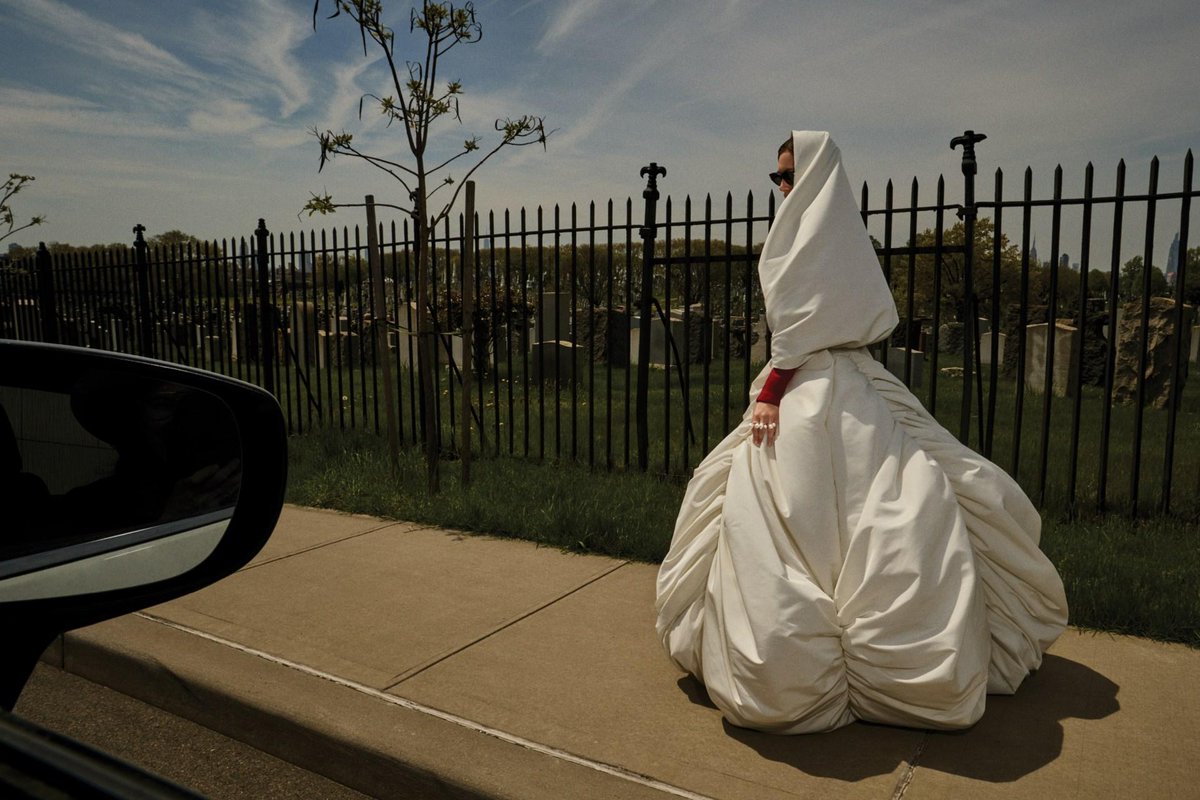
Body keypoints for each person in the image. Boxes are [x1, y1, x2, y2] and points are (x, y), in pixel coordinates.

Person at [654, 131, 1068, 733]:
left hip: (804, 384)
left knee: (804, 509)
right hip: (851, 380)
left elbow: (798, 325)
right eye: (778, 177)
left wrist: (770, 394)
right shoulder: (845, 235)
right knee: (882, 498)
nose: (783, 186)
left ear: (814, 173)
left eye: (788, 175)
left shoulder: (804, 236)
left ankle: (811, 664)